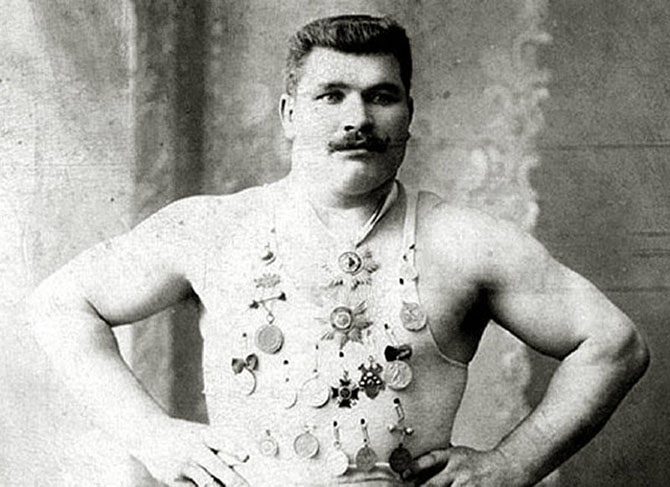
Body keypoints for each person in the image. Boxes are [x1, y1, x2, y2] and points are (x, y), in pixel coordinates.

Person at [25, 14, 649, 487]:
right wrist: (150, 434)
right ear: (289, 114)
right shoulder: (211, 228)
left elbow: (614, 345)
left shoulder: (465, 241)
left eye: (382, 96)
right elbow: (60, 303)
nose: (359, 119)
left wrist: (512, 464)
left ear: (408, 113)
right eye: (332, 95)